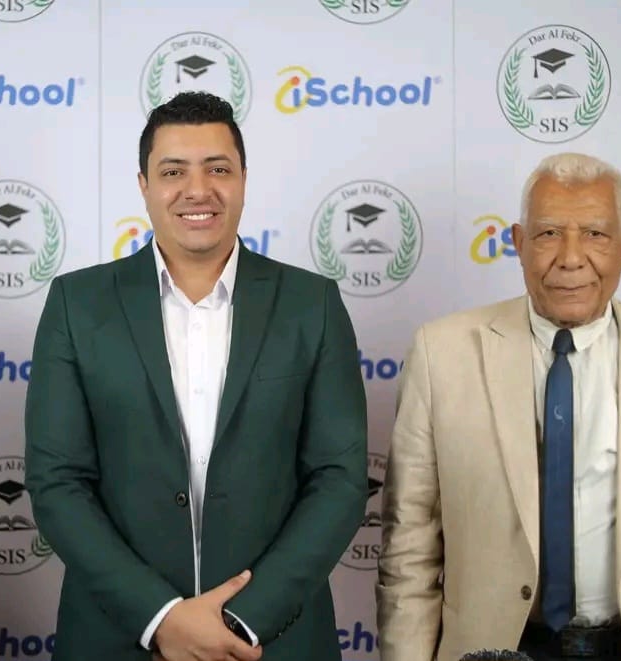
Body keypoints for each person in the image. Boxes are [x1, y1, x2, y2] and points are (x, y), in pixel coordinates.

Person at [24, 91, 368, 661]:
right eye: (173, 171)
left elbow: (340, 479)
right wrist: (161, 618)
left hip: (271, 641)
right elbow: (57, 482)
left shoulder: (313, 305)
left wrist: (240, 623)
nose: (197, 189)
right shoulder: (76, 304)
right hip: (119, 637)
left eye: (218, 169)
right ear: (143, 185)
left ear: (244, 179)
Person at [376, 152, 621, 661]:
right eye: (549, 233)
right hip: (497, 650)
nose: (571, 258)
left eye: (595, 234)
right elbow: (409, 548)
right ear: (518, 242)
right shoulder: (440, 355)